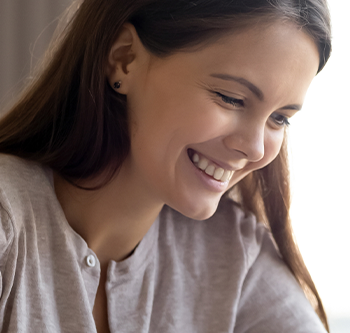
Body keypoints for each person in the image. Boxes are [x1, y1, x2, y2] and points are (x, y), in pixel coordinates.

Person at [0, 0, 332, 332]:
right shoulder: (8, 225)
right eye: (231, 98)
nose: (256, 148)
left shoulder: (235, 256)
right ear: (124, 59)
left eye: (280, 119)